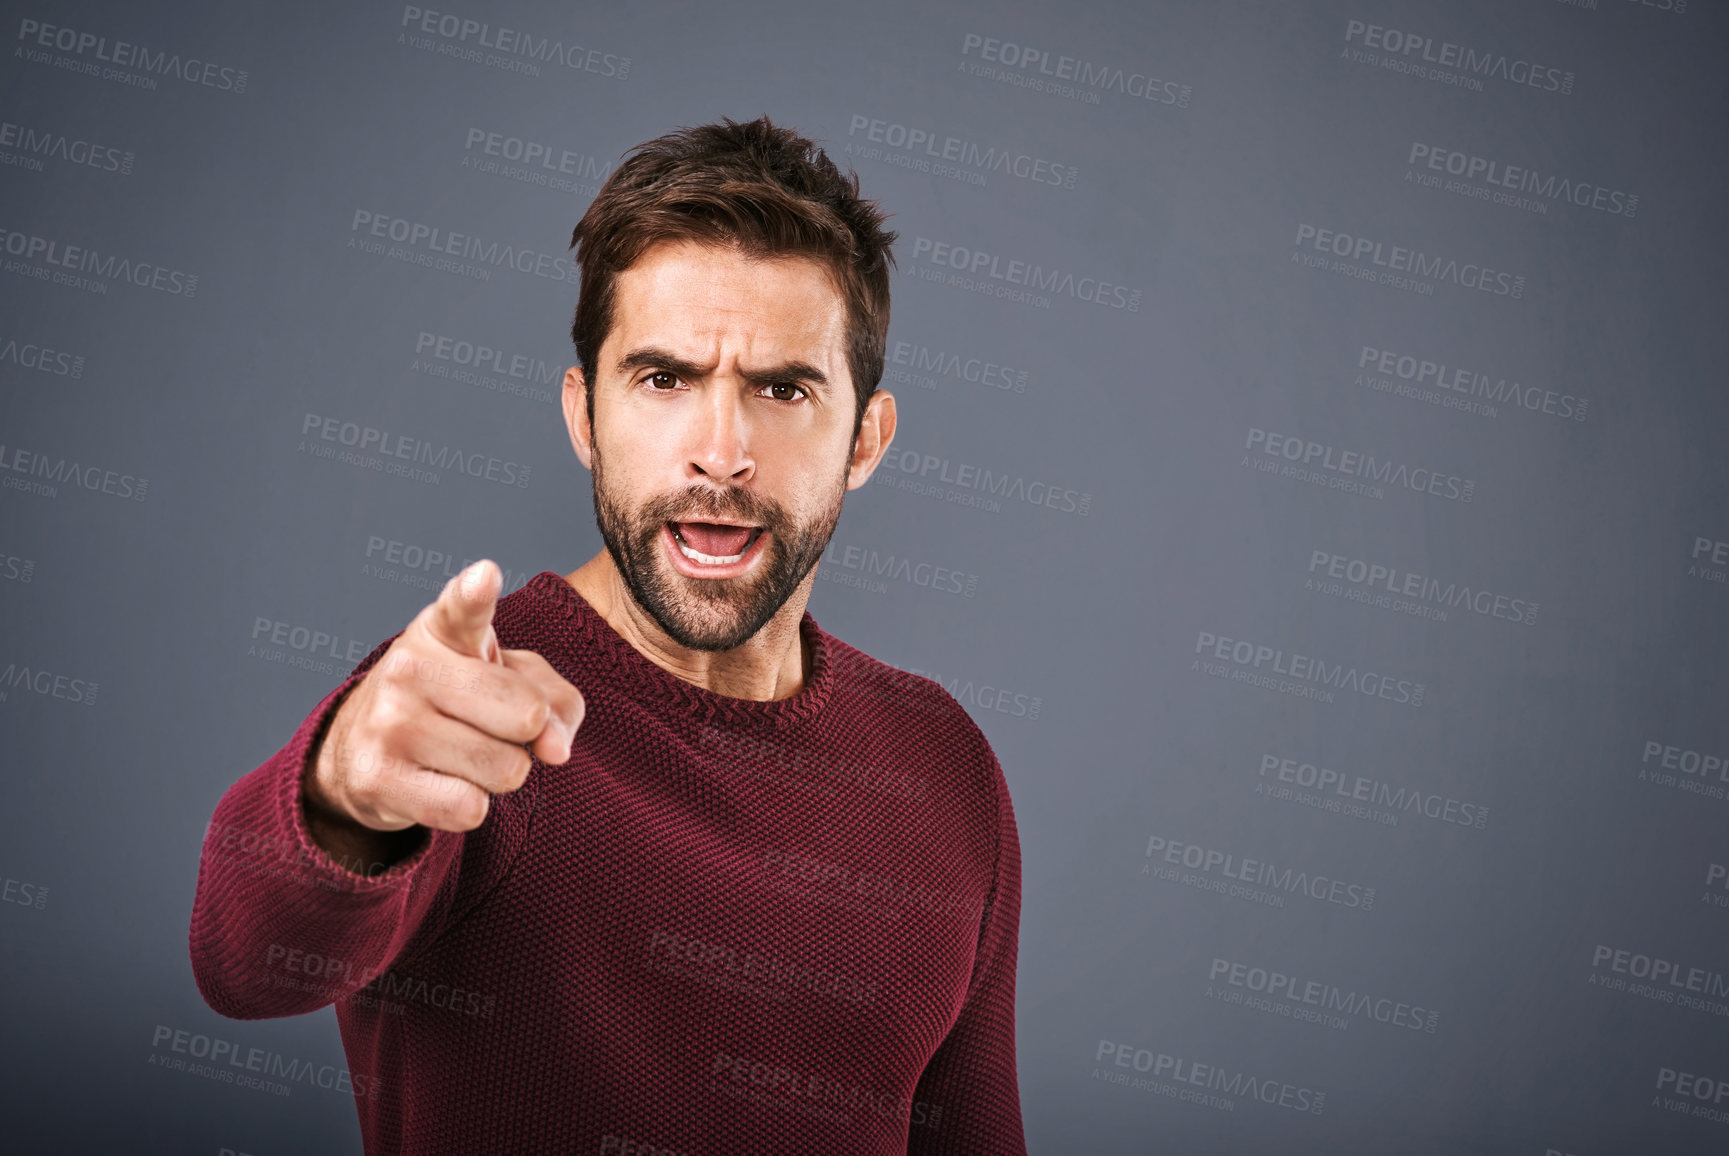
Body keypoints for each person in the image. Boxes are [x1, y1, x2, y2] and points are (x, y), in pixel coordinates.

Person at [189, 116, 1025, 1155]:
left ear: (866, 438)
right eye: (664, 379)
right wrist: (340, 798)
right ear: (585, 417)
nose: (720, 455)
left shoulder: (945, 766)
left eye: (783, 389)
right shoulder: (471, 706)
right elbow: (248, 959)